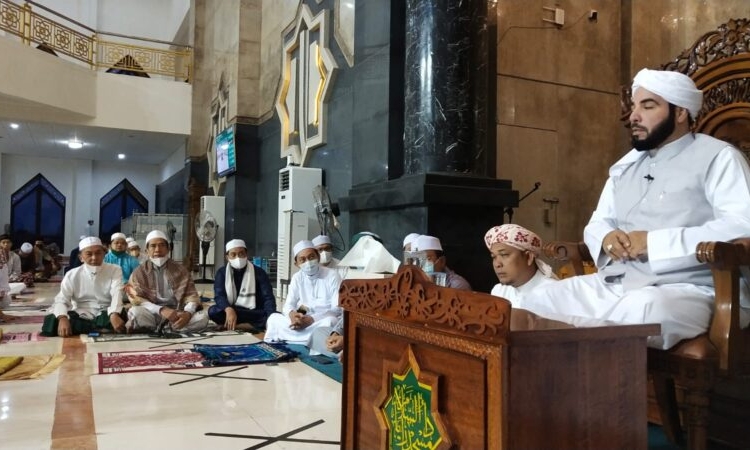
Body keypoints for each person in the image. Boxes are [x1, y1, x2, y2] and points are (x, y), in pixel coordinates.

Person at [522, 68, 750, 349]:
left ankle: (597, 378)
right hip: (618, 283)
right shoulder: (626, 166)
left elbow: (742, 225)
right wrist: (606, 238)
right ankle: (576, 378)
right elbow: (598, 223)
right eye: (634, 106)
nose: (634, 116)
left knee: (642, 309)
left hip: (691, 288)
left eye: (648, 105)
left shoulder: (719, 158)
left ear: (680, 113)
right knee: (537, 301)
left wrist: (653, 244)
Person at [124, 230, 209, 333]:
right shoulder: (139, 272)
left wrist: (187, 314)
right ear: (146, 250)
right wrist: (161, 310)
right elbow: (136, 299)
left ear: (168, 249)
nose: (158, 249)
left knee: (203, 317)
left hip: (177, 313)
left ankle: (161, 328)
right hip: (152, 313)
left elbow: (192, 296)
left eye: (162, 245)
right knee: (135, 312)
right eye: (153, 246)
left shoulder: (181, 270)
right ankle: (169, 328)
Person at [40, 237, 126, 337]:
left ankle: (90, 327)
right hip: (81, 313)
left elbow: (117, 293)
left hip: (106, 312)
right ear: (81, 257)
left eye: (98, 253)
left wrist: (114, 314)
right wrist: (62, 318)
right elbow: (62, 299)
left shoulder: (114, 269)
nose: (94, 257)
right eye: (89, 254)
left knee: (123, 315)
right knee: (51, 320)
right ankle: (100, 328)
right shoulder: (72, 274)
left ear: (104, 254)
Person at [264, 240, 342, 343]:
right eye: (302, 260)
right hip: (302, 316)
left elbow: (337, 309)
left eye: (311, 257)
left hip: (320, 319)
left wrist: (311, 319)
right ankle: (309, 339)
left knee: (331, 322)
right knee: (273, 318)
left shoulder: (332, 275)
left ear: (318, 257)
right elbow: (288, 305)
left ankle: (293, 337)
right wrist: (293, 316)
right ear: (297, 264)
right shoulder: (297, 277)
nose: (308, 262)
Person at [209, 239, 277, 331]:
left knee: (275, 316)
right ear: (227, 257)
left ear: (246, 254)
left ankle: (238, 326)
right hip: (233, 311)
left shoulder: (259, 272)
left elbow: (268, 297)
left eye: (241, 254)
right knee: (213, 311)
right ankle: (251, 325)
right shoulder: (222, 272)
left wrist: (271, 317)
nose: (238, 258)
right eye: (233, 255)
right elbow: (219, 296)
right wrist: (228, 309)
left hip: (254, 311)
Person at [484, 224, 558, 308]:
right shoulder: (499, 291)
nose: (497, 264)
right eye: (494, 257)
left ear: (528, 257)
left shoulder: (554, 292)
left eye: (504, 254)